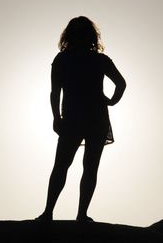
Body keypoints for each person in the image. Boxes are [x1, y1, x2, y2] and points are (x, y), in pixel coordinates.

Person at [36, 16, 126, 222]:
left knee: (73, 166)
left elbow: (54, 93)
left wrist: (56, 117)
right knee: (71, 165)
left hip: (83, 118)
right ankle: (55, 212)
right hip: (83, 118)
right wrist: (111, 101)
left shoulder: (66, 59)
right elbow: (121, 84)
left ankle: (69, 214)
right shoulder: (91, 60)